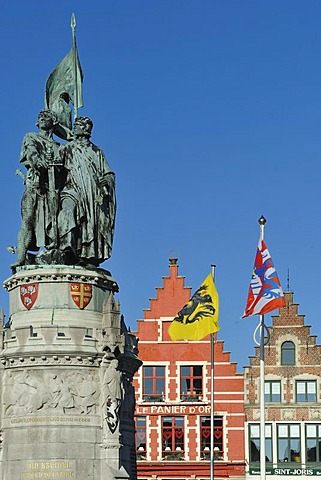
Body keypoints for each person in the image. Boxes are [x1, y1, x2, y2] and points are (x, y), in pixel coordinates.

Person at [58, 116, 116, 266]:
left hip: (92, 193)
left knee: (91, 223)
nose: (75, 127)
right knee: (67, 211)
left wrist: (107, 181)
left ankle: (87, 256)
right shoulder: (66, 148)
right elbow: (56, 168)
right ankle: (66, 248)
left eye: (78, 125)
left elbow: (109, 173)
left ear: (85, 129)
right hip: (72, 188)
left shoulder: (97, 152)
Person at [11, 109, 60, 269]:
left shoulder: (58, 146)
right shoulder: (31, 136)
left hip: (53, 189)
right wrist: (39, 161)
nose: (42, 118)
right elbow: (31, 153)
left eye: (46, 117)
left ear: (54, 122)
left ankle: (53, 253)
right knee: (27, 220)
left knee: (55, 224)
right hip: (35, 185)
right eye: (40, 117)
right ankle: (20, 256)